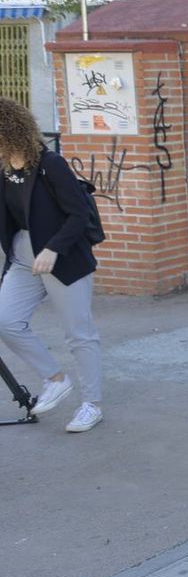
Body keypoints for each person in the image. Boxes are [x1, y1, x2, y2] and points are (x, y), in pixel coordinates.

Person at [0, 98, 103, 432]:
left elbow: (79, 214)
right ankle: (55, 379)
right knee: (6, 321)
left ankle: (91, 405)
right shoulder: (5, 169)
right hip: (22, 257)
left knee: (79, 333)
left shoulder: (50, 164)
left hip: (62, 255)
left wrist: (53, 249)